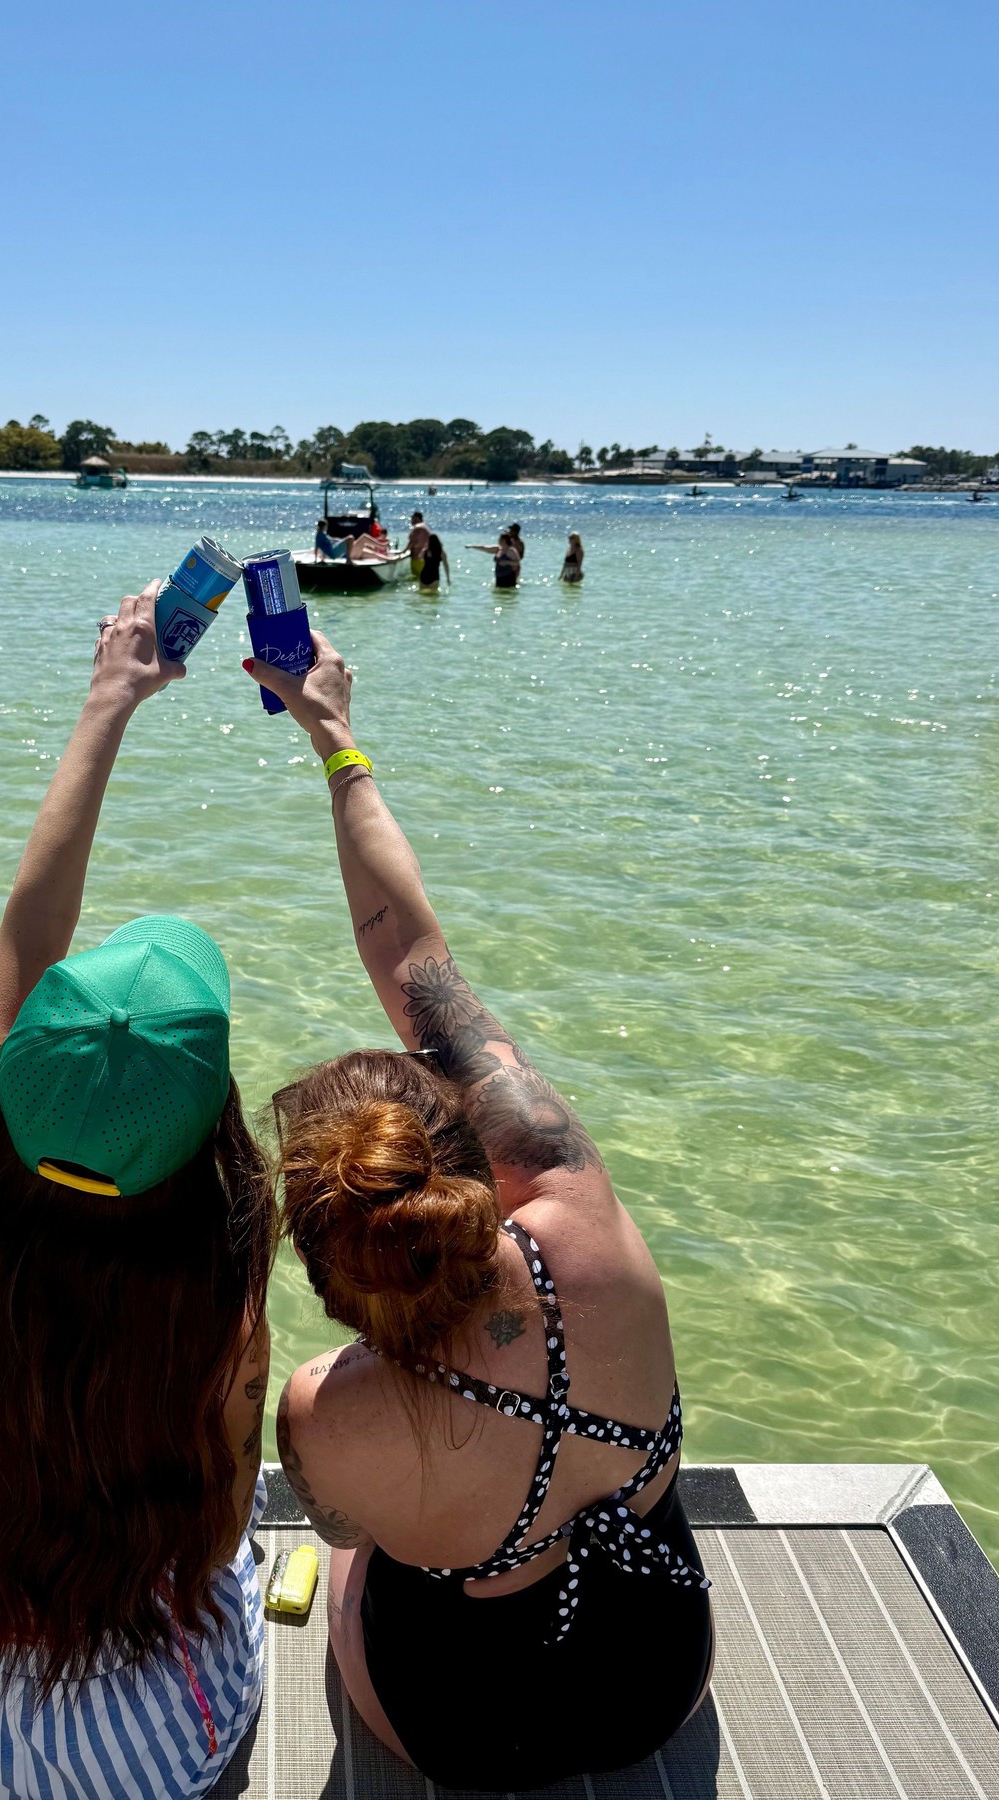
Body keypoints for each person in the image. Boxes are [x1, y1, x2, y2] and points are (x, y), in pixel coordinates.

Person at [242, 634, 713, 1792]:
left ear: (320, 1267)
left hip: (458, 1727)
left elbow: (354, 1535)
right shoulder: (573, 1203)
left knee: (350, 1560)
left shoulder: (325, 1406)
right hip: (660, 1672)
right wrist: (334, 738)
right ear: (472, 1154)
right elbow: (412, 956)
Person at [0, 580, 275, 1800]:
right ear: (214, 1143)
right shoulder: (212, 1305)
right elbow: (212, 1540)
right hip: (148, 1746)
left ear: (22, 1069)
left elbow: (26, 939)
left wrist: (111, 698)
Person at [402, 511, 431, 578]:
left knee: (417, 578)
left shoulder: (417, 528)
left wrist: (404, 551)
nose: (411, 521)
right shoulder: (424, 527)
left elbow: (412, 542)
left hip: (418, 558)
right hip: (424, 558)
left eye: (412, 519)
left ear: (416, 518)